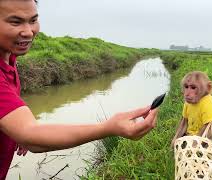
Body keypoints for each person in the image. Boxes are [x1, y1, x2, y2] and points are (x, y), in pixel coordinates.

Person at [0, 0, 158, 179]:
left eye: (33, 20)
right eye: (15, 22)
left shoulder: (9, 56)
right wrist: (107, 128)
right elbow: (32, 137)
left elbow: (22, 125)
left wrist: (16, 130)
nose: (29, 32)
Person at [171, 71, 212, 148]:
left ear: (208, 88)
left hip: (210, 138)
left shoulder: (208, 105)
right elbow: (184, 122)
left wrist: (193, 147)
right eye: (186, 87)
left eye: (193, 88)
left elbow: (209, 130)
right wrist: (175, 141)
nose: (187, 93)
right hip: (192, 135)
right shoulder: (188, 103)